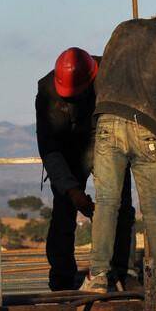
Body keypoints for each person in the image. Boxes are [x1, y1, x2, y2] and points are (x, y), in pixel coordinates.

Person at [82, 3, 156, 303]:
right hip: (149, 129)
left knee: (107, 202)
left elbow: (103, 76)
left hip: (108, 120)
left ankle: (97, 278)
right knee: (153, 210)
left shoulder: (125, 28)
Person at [36, 47, 137, 291]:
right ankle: (61, 278)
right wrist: (71, 190)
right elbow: (50, 148)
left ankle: (124, 272)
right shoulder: (47, 92)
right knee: (63, 209)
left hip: (108, 138)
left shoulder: (112, 77)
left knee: (119, 205)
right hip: (69, 145)